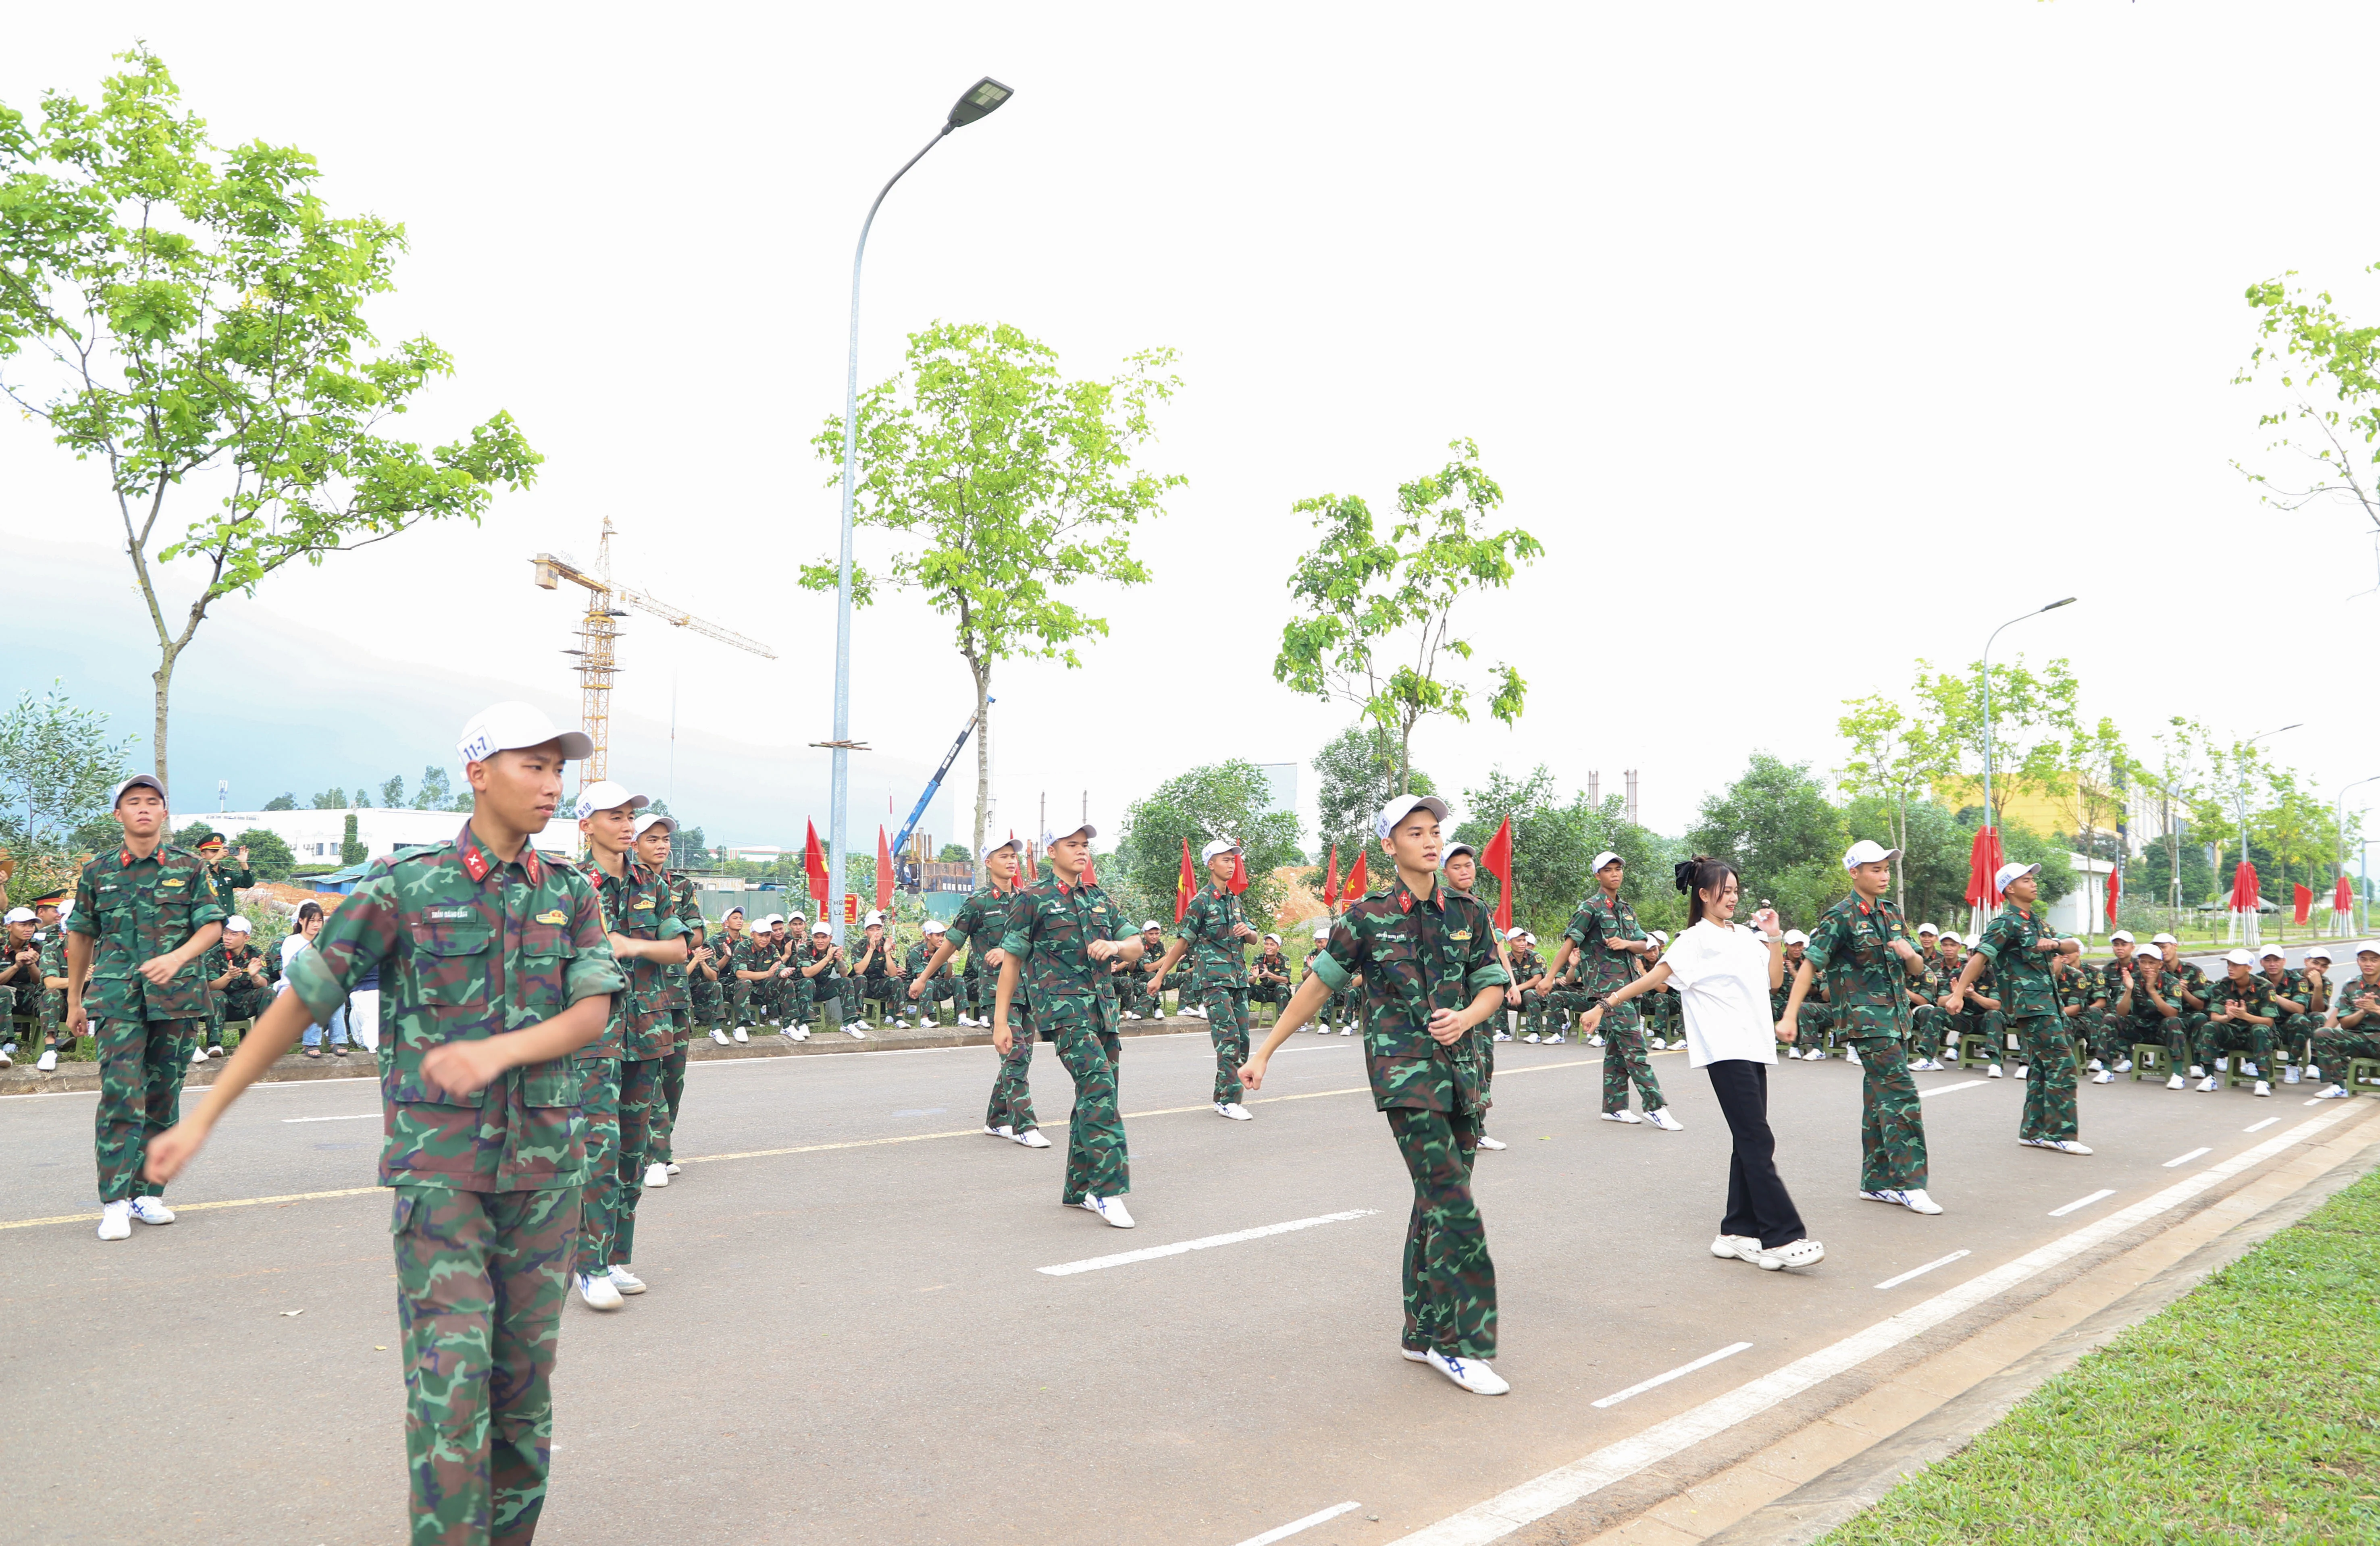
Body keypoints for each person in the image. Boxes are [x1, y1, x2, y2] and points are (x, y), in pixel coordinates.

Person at [144, 700, 621, 1546]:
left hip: (547, 1178)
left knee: (522, 1394)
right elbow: (301, 1004)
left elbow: (592, 1013)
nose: (552, 785)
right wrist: (204, 1115)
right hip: (440, 1178)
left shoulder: (572, 892)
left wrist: (497, 1052)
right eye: (533, 766)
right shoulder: (406, 885)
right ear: (478, 773)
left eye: (559, 769)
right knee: (450, 1386)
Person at [1241, 794, 1511, 1395]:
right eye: (1415, 833)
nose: (1431, 841)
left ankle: (1419, 1333)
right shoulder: (1366, 916)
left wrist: (1467, 1017)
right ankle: (1457, 1344)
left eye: (1435, 831)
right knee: (1453, 1204)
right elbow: (1317, 988)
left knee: (1438, 1201)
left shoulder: (1468, 911)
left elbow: (1494, 986)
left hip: (1462, 1072)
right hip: (1404, 1076)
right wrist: (1264, 1052)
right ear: (1390, 846)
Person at [1593, 857, 1820, 1270]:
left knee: (1748, 1139)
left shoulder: (1744, 936)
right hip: (1725, 1048)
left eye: (1736, 890)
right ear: (1703, 894)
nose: (1732, 897)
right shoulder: (1694, 939)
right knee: (1756, 1138)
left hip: (1755, 1047)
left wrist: (1772, 937)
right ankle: (1782, 1235)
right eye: (1724, 890)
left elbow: (1772, 981)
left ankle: (1737, 1231)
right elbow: (1653, 978)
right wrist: (1607, 1003)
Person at [63, 774, 226, 1239]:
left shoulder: (191, 866)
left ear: (164, 812)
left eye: (152, 802)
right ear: (119, 814)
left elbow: (211, 926)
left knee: (162, 1098)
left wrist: (177, 957)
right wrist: (75, 999)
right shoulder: (98, 871)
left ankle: (148, 1193)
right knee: (120, 1095)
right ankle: (115, 1201)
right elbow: (81, 934)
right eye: (133, 802)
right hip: (117, 998)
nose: (143, 809)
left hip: (176, 998)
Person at [572, 778, 687, 1309]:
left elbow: (680, 949)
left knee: (634, 1152)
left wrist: (629, 945)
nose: (625, 825)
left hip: (646, 1032)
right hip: (592, 1034)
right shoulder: (571, 885)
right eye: (613, 816)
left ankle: (616, 1257)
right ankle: (588, 1264)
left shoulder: (653, 882)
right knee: (600, 1149)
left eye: (629, 816)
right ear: (586, 825)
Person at [993, 823, 1144, 1223]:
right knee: (1098, 1084)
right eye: (1072, 845)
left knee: (1097, 1096)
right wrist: (1001, 1021)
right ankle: (1109, 1189)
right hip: (1065, 1013)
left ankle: (1081, 1189)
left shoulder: (1098, 898)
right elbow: (1011, 962)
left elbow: (1137, 943)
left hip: (1104, 1011)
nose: (1081, 851)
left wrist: (1115, 945)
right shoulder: (1032, 899)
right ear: (1052, 851)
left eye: (1085, 845)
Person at [1780, 839, 1939, 1214]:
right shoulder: (1841, 916)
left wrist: (1910, 953)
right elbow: (1811, 964)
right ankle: (1910, 1183)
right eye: (1876, 869)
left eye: (1886, 868)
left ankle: (1877, 1182)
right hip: (1867, 1021)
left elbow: (1916, 969)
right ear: (1855, 873)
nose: (1884, 876)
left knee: (1878, 1098)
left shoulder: (1892, 912)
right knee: (1902, 1096)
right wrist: (1790, 1014)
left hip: (1897, 1019)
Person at [912, 838, 1043, 1146]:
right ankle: (1024, 1125)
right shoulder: (978, 903)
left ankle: (996, 1121)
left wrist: (1009, 950)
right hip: (998, 990)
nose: (1012, 861)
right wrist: (922, 978)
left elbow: (1039, 941)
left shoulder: (1027, 900)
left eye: (1014, 857)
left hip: (1029, 988)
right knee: (1016, 1054)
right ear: (989, 862)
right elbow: (951, 944)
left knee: (1021, 1057)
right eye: (1004, 856)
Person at [1957, 862, 2089, 1155]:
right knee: (2062, 1064)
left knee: (2043, 1067)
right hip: (2032, 1006)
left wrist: (2053, 944)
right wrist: (1957, 992)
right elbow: (1980, 958)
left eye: (2033, 879)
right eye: (2026, 880)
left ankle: (2033, 1130)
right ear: (2010, 888)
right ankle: (2059, 1133)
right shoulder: (2005, 923)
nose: (2034, 884)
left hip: (2047, 1003)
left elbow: (2071, 946)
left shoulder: (2037, 921)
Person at [1544, 852, 1678, 1129]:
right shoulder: (1590, 908)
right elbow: (1570, 944)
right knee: (1635, 1046)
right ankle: (1655, 1105)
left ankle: (1614, 1107)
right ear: (1598, 876)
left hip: (1630, 986)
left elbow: (1645, 944)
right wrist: (1549, 976)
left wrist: (1626, 944)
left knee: (1618, 1050)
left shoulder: (1627, 910)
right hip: (1606, 990)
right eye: (1608, 870)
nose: (1615, 874)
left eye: (1618, 869)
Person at [1143, 839, 1261, 1121]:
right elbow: (1183, 942)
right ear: (1211, 864)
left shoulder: (1235, 900)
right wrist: (1160, 976)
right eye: (1225, 860)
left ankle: (1229, 1097)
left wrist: (1248, 932)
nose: (1231, 865)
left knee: (1243, 1039)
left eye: (1233, 861)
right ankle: (1227, 1100)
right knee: (1228, 1038)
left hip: (1238, 980)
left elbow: (1254, 937)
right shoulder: (1201, 901)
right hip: (1213, 980)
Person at [634, 812, 701, 1186]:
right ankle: (654, 1155)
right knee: (649, 1077)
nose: (661, 846)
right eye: (653, 839)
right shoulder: (626, 884)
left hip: (676, 991)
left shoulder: (681, 885)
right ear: (635, 843)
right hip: (641, 994)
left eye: (666, 841)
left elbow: (696, 936)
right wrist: (668, 940)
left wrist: (664, 940)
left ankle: (661, 1146)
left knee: (674, 1077)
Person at [2110, 947, 2199, 1085]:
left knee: (2174, 1022)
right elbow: (2121, 1012)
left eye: (2152, 963)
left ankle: (2177, 1075)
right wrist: (2129, 990)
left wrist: (2152, 990)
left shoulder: (2171, 982)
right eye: (2143, 962)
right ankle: (2107, 1070)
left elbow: (2172, 1013)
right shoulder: (2132, 979)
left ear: (2160, 965)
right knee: (2111, 1019)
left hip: (2161, 1030)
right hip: (2139, 1028)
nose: (2147, 967)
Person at [2196, 948, 2278, 1095]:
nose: (2230, 968)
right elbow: (2215, 1017)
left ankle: (2262, 1081)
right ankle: (2210, 1077)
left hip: (2256, 1035)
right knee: (2210, 1027)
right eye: (2229, 964)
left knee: (2261, 1030)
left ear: (2249, 968)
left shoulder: (2264, 987)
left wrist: (2245, 1016)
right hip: (2232, 1033)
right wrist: (2228, 1017)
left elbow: (2269, 1022)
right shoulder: (2222, 986)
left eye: (2236, 965)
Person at [280, 902, 354, 1059]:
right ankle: (311, 1043)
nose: (316, 925)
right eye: (312, 921)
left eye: (319, 921)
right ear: (301, 921)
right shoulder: (292, 941)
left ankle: (337, 1041)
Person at [2311, 943, 2380, 1098]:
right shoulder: (2351, 987)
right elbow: (2346, 1023)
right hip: (2359, 1039)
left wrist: (2375, 1009)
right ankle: (2339, 1085)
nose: (2368, 964)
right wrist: (2363, 1011)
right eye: (2364, 960)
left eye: (2374, 960)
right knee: (2323, 1034)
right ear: (2358, 962)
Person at [2255, 945, 2314, 1078]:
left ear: (2284, 961)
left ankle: (2292, 1065)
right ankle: (2252, 1064)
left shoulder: (2297, 980)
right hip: (2266, 1027)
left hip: (2288, 1028)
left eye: (2276, 960)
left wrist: (2274, 996)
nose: (2272, 964)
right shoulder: (2257, 981)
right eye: (2268, 960)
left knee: (2301, 1021)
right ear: (2262, 963)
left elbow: (2300, 1008)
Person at [1, 905, 41, 1066]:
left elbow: (40, 981)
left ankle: (53, 1040)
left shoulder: (38, 947)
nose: (28, 929)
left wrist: (32, 964)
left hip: (26, 997)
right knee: (2, 992)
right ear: (9, 927)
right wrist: (16, 966)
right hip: (4, 997)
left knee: (48, 993)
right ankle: (7, 1043)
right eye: (23, 925)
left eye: (31, 925)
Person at [853, 910, 905, 1029]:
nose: (876, 933)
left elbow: (893, 974)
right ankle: (857, 1019)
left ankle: (899, 1019)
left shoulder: (886, 944)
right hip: (863, 985)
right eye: (872, 930)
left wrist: (887, 952)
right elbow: (859, 971)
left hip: (879, 984)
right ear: (866, 932)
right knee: (860, 979)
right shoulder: (859, 947)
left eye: (878, 929)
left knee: (896, 980)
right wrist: (871, 950)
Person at [907, 920, 959, 1027]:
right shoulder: (916, 952)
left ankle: (962, 1017)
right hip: (914, 988)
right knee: (928, 982)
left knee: (958, 980)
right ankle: (925, 1020)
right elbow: (920, 977)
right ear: (928, 936)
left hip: (934, 986)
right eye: (938, 936)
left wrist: (949, 964)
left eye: (942, 936)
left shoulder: (941, 952)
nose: (941, 939)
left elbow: (947, 976)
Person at [2294, 947, 2334, 1084]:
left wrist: (2318, 987)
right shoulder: (2292, 977)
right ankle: (2292, 1064)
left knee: (2319, 1018)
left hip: (2310, 1015)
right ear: (2307, 962)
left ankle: (2314, 1064)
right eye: (2315, 963)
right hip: (2290, 1016)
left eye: (2324, 966)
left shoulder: (2326, 983)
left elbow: (2318, 1009)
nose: (2318, 969)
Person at [1249, 933, 1292, 1022]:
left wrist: (1268, 974)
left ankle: (1283, 1022)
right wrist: (1254, 977)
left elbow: (1286, 980)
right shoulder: (1259, 959)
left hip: (1280, 993)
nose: (1268, 947)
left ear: (1278, 948)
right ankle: (1242, 1018)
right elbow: (1249, 980)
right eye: (1266, 944)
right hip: (1265, 991)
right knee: (1247, 987)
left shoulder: (1284, 959)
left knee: (1282, 986)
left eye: (1272, 945)